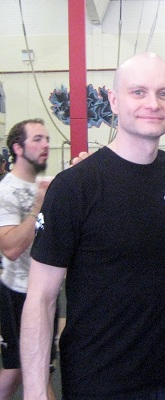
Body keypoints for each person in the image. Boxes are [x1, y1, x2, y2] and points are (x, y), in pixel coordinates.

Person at [20, 52, 165, 400]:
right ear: (114, 100)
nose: (153, 103)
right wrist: (33, 391)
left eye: (163, 93)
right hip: (97, 383)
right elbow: (41, 298)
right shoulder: (75, 186)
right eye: (138, 92)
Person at [0, 119, 57, 400]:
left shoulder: (42, 184)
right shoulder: (6, 191)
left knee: (15, 370)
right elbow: (10, 248)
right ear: (18, 148)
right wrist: (37, 209)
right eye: (37, 139)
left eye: (46, 138)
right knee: (38, 369)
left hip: (45, 288)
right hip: (18, 293)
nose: (46, 144)